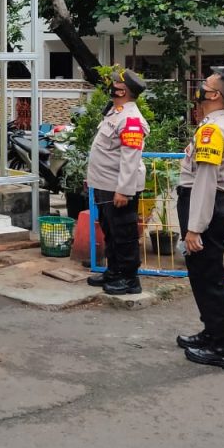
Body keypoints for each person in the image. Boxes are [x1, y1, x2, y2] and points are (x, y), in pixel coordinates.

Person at [175, 68, 224, 371]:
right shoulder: (216, 125)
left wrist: (194, 228)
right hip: (209, 205)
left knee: (210, 277)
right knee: (202, 276)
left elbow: (205, 181)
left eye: (205, 85)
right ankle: (211, 333)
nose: (200, 88)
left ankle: (223, 347)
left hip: (205, 206)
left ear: (215, 95)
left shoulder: (212, 131)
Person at [86, 69, 149, 295]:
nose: (110, 85)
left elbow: (130, 158)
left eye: (114, 83)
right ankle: (114, 271)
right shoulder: (116, 112)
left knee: (124, 234)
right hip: (105, 183)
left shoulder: (130, 119)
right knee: (110, 230)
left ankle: (130, 279)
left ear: (122, 90)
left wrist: (124, 191)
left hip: (118, 187)